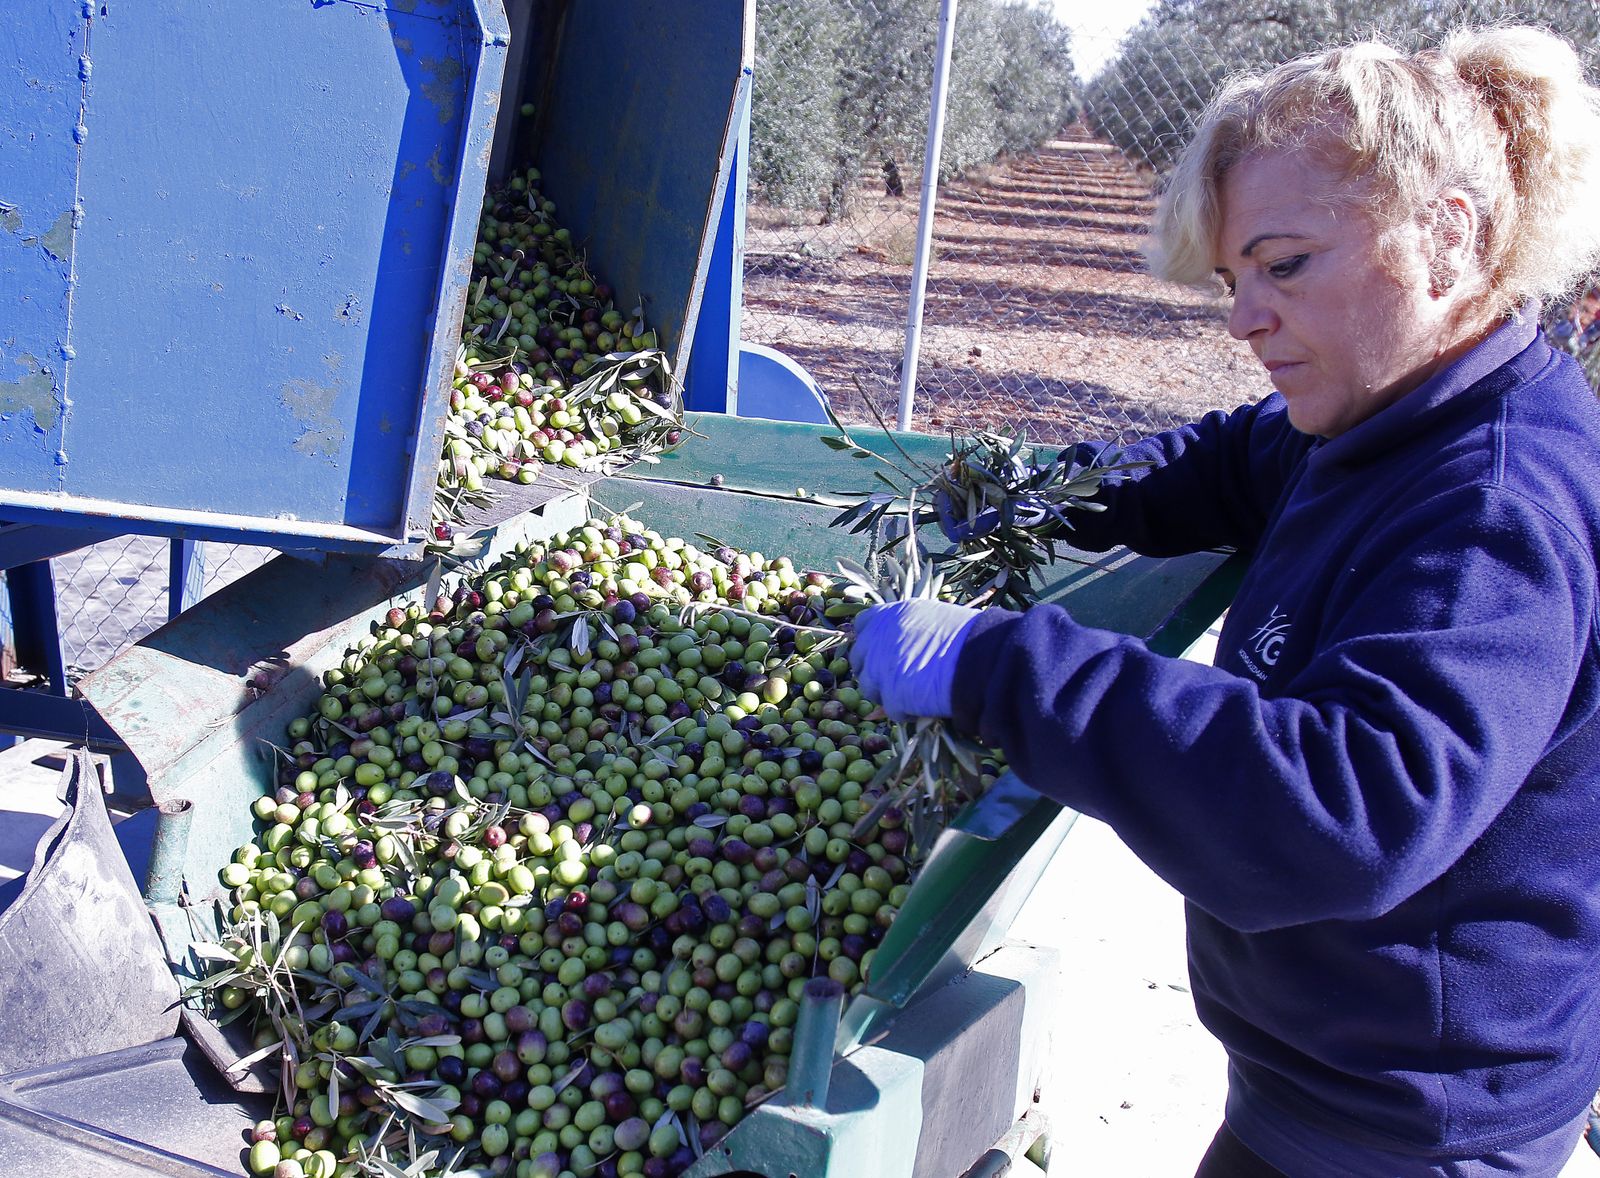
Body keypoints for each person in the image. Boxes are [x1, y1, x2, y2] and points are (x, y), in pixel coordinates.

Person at [850, 25, 1600, 1178]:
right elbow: (1222, 462)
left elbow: (1346, 810)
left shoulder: (1490, 510)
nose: (1244, 318)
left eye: (1284, 263)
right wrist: (1034, 496)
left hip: (1412, 1131)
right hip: (1329, 1075)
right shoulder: (1380, 409)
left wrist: (999, 664)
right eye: (1232, 279)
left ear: (1447, 236)